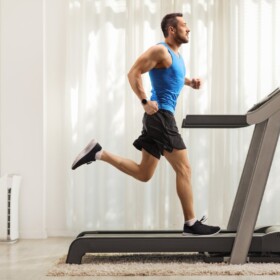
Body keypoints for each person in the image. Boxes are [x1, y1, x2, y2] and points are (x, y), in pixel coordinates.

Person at [71, 13, 220, 236]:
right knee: (185, 168)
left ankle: (99, 153)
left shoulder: (176, 56)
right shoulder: (161, 50)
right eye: (184, 25)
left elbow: (173, 77)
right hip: (161, 117)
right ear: (171, 29)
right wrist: (144, 101)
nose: (188, 29)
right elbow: (133, 72)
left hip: (158, 119)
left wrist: (190, 82)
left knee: (144, 173)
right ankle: (191, 224)